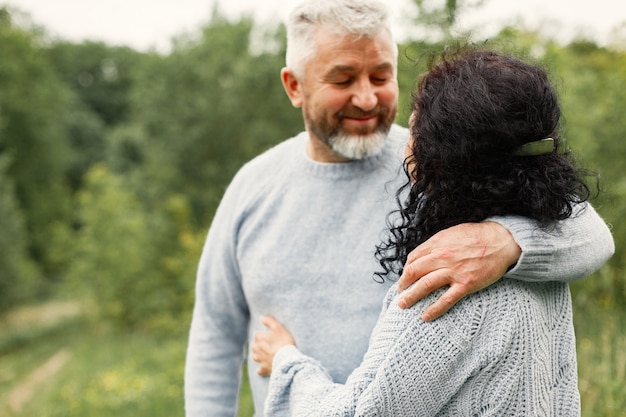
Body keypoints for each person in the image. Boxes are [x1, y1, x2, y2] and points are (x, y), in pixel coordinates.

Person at [184, 1, 615, 416]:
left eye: (380, 75)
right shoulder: (252, 188)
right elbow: (215, 335)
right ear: (295, 86)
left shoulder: (444, 164)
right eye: (343, 79)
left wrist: (507, 242)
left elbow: (589, 234)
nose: (367, 99)